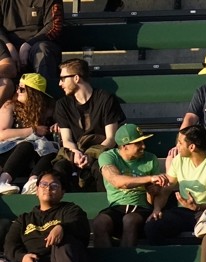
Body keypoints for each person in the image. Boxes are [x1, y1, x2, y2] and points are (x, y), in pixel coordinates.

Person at [0, 172, 90, 262]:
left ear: (62, 192)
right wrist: (22, 257)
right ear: (36, 190)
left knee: (63, 242)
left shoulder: (70, 210)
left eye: (54, 186)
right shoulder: (24, 219)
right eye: (44, 184)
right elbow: (10, 245)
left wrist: (62, 227)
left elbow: (79, 224)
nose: (48, 188)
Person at [149, 124, 206, 247]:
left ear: (192, 147)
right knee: (152, 226)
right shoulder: (179, 160)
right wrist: (156, 209)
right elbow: (166, 190)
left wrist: (198, 207)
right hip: (183, 211)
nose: (177, 146)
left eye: (180, 143)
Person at [51, 59, 124, 192]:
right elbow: (67, 139)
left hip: (102, 152)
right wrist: (76, 154)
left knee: (101, 166)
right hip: (76, 151)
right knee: (60, 167)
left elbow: (111, 138)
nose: (60, 83)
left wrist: (91, 155)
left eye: (63, 78)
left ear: (76, 78)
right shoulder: (62, 104)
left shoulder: (105, 99)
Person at [92, 123, 164, 251]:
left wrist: (153, 190)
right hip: (117, 207)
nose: (144, 146)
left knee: (130, 220)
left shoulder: (150, 159)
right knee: (100, 222)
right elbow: (117, 181)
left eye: (143, 142)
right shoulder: (108, 157)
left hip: (140, 208)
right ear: (124, 146)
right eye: (138, 143)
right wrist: (148, 178)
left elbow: (155, 193)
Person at [0, 72, 56, 196]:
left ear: (33, 93)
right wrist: (33, 130)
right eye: (18, 87)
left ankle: (33, 182)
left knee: (52, 149)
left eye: (22, 89)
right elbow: (2, 133)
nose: (18, 91)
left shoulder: (48, 110)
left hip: (35, 156)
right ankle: (3, 181)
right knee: (27, 145)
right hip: (8, 153)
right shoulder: (10, 106)